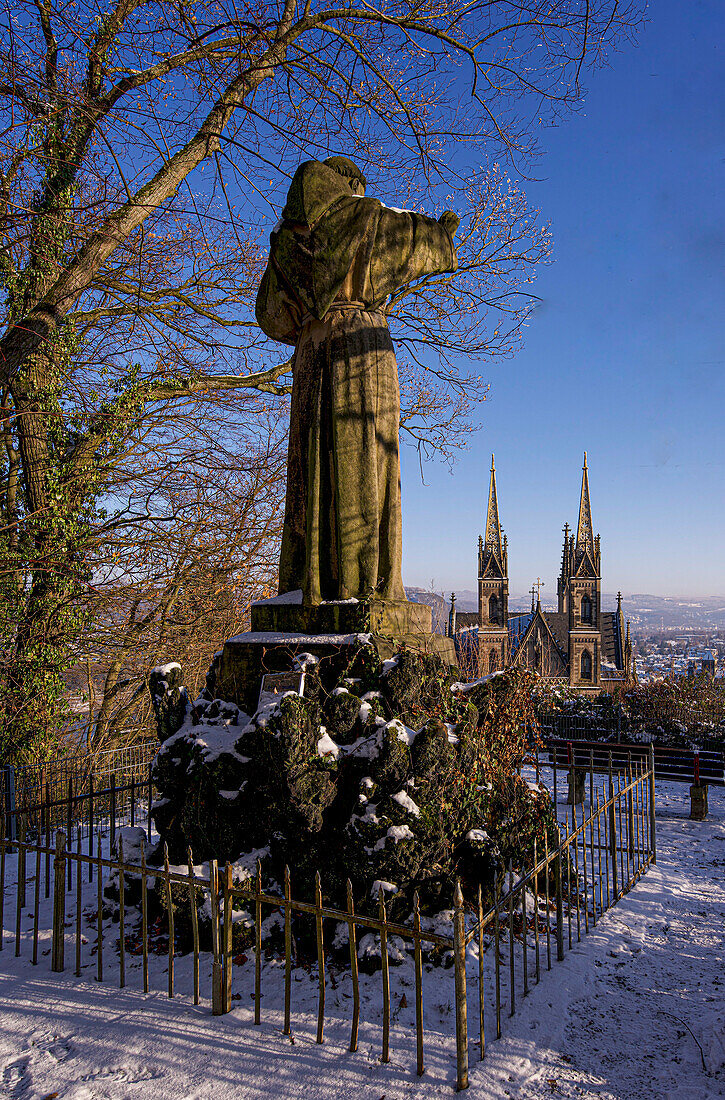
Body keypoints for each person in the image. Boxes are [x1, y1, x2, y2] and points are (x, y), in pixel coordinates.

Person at [256, 156, 459, 604]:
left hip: (310, 355)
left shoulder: (286, 245)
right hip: (359, 347)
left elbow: (268, 315)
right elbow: (415, 242)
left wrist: (307, 318)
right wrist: (443, 234)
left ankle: (308, 581)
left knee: (311, 469)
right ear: (349, 185)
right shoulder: (363, 217)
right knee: (364, 459)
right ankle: (363, 583)